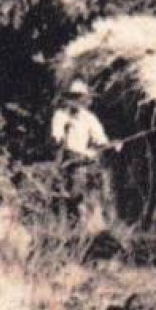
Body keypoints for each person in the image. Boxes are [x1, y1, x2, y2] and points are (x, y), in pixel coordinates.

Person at [50, 79, 116, 231]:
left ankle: (95, 229)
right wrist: (59, 138)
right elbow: (57, 137)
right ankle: (75, 230)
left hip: (89, 161)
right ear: (68, 99)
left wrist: (111, 145)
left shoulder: (90, 118)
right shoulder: (60, 115)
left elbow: (101, 140)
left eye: (80, 98)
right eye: (73, 98)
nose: (77, 102)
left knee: (96, 196)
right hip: (70, 162)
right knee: (75, 197)